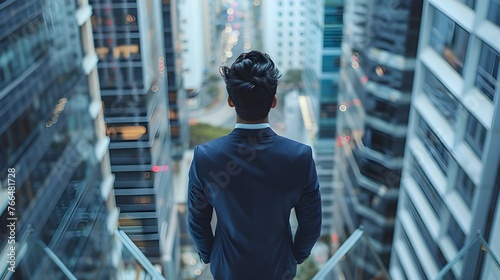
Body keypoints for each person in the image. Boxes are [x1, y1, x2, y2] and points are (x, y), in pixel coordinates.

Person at [187, 50, 322, 280]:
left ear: (230, 101)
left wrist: (212, 256)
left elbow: (197, 221)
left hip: (228, 271)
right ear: (273, 101)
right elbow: (311, 224)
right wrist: (294, 256)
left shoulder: (205, 157)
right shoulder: (300, 156)